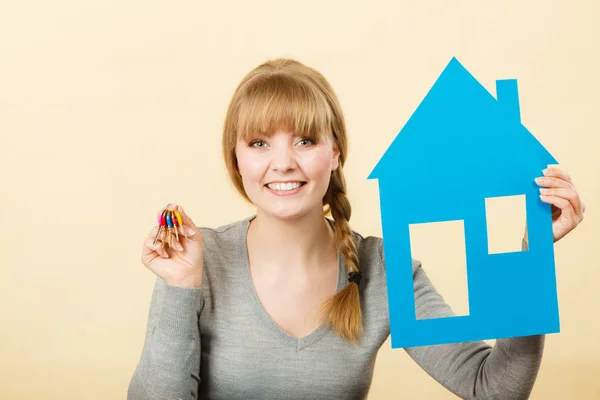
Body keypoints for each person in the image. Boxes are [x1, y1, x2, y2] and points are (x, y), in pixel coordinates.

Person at [127, 59, 586, 400]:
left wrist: (533, 258)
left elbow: (494, 389)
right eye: (260, 142)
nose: (283, 163)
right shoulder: (198, 259)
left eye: (305, 141)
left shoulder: (383, 270)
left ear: (336, 153)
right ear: (237, 159)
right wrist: (180, 287)